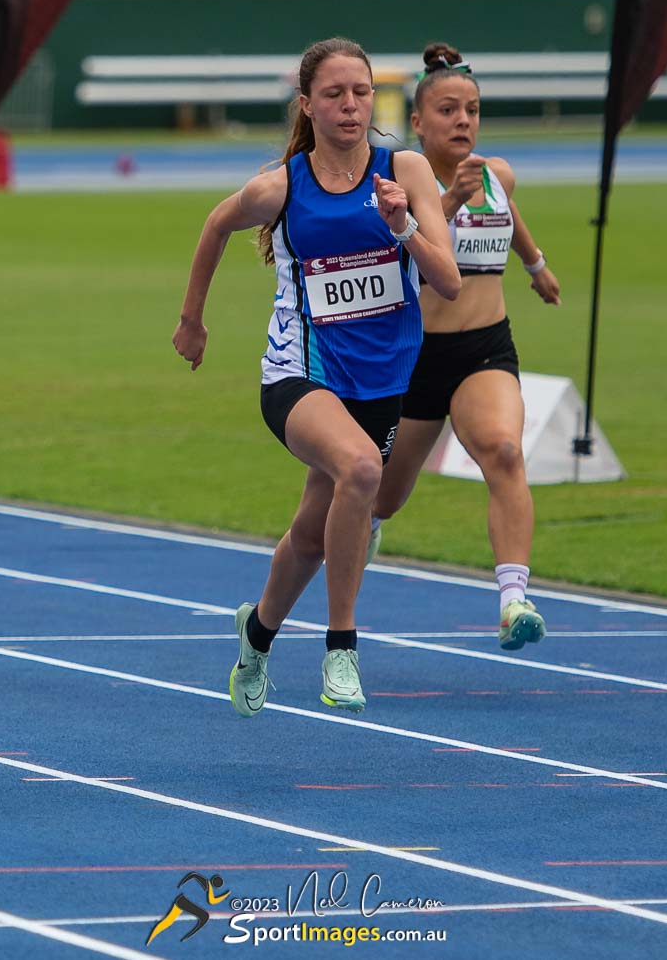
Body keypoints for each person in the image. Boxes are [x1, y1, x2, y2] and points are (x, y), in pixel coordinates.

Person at [172, 37, 460, 717]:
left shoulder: (407, 170)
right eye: (334, 94)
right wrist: (192, 321)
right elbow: (215, 226)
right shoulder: (282, 186)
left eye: (360, 92)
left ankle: (258, 633)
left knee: (310, 533)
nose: (351, 105)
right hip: (298, 371)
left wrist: (403, 225)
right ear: (308, 104)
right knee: (362, 471)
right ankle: (342, 648)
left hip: (382, 378)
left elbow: (446, 281)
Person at [368, 42, 562, 651]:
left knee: (504, 451)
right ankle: (359, 532)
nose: (462, 121)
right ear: (418, 121)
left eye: (472, 110)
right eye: (448, 110)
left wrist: (536, 266)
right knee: (384, 496)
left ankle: (514, 601)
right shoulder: (398, 183)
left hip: (485, 348)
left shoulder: (495, 173)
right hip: (415, 357)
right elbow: (400, 263)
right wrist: (447, 203)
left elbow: (511, 212)